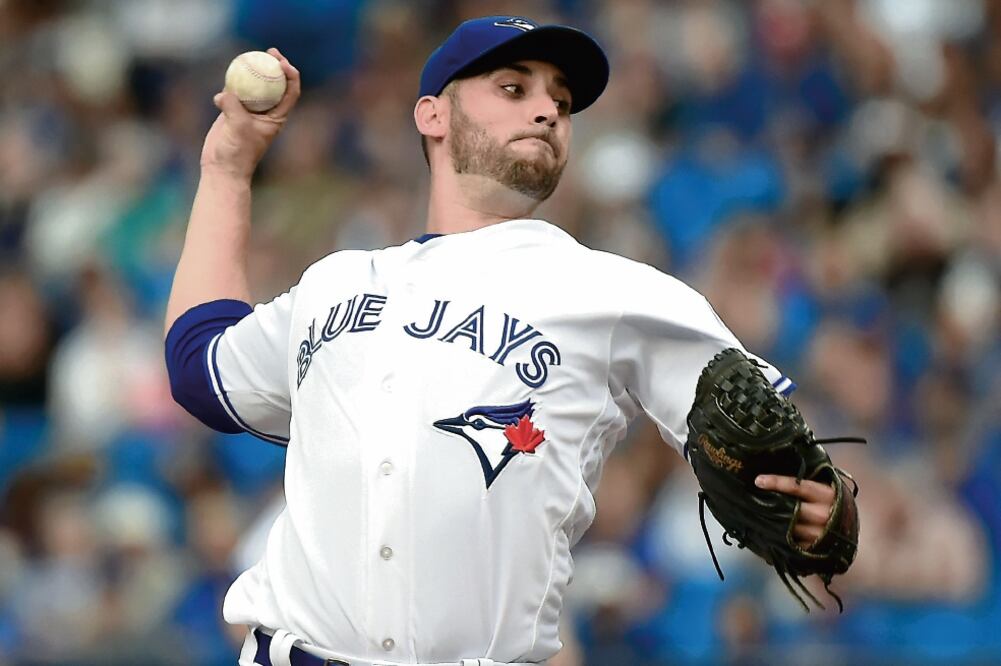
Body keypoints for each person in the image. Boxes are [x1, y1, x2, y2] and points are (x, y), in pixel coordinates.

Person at [164, 15, 842, 666]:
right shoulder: (333, 284)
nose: (546, 111)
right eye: (514, 89)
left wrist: (827, 503)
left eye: (562, 101)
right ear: (432, 115)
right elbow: (200, 368)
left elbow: (774, 441)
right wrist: (226, 168)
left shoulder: (613, 291)